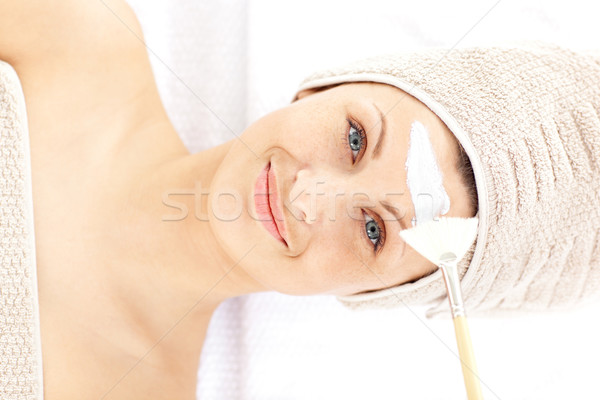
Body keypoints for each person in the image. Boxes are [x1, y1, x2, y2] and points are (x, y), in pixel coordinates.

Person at [0, 1, 478, 398]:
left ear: (368, 294)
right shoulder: (76, 34)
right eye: (355, 138)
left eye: (373, 230)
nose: (308, 197)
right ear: (324, 88)